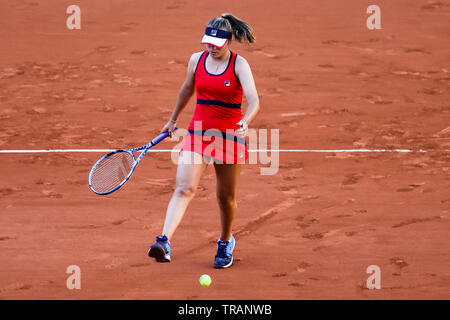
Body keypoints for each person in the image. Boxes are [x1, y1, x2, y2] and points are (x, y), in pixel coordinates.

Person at [148, 13, 259, 269]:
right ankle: (164, 241)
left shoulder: (240, 65)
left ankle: (225, 240)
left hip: (230, 137)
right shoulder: (196, 60)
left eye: (216, 44)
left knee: (225, 198)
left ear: (228, 41)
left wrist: (246, 120)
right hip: (198, 134)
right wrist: (173, 119)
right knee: (184, 188)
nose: (211, 47)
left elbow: (254, 99)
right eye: (208, 42)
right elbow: (187, 88)